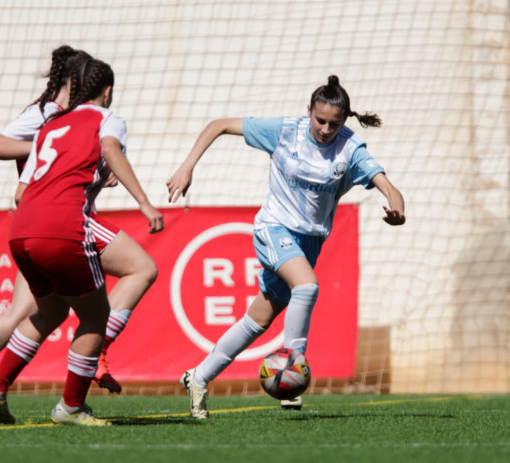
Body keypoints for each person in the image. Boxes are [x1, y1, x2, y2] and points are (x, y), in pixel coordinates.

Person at [0, 46, 151, 424]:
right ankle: (95, 354)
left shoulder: (64, 118)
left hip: (31, 222)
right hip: (66, 222)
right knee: (141, 269)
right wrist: (59, 148)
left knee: (42, 312)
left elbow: (59, 170)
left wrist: (95, 171)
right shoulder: (48, 114)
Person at [166, 75, 405, 419]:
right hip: (273, 228)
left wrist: (398, 208)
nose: (325, 129)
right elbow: (218, 125)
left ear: (344, 120)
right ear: (308, 111)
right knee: (306, 286)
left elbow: (389, 187)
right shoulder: (284, 131)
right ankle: (294, 368)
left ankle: (199, 378)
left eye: (334, 123)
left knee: (260, 318)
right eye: (319, 120)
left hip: (308, 242)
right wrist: (187, 166)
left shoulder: (350, 150)